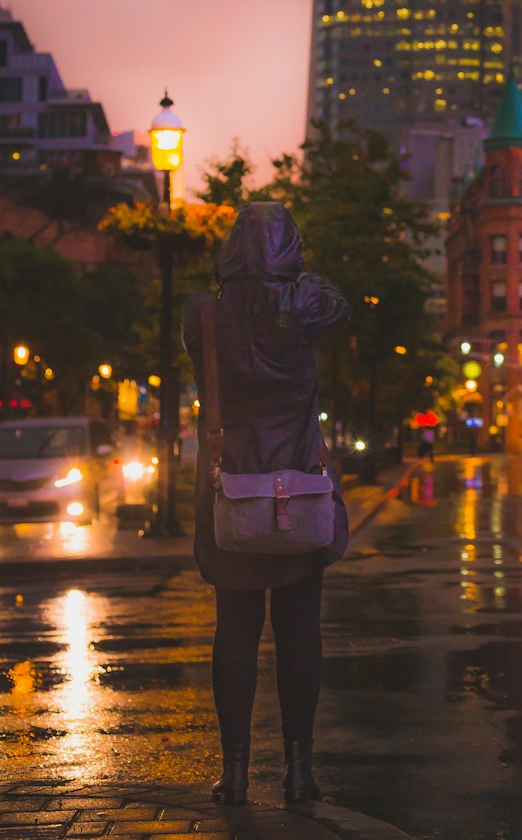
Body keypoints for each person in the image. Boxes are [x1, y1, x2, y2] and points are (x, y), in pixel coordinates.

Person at [182, 202, 350, 806]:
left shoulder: (203, 311)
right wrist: (295, 280)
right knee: (300, 629)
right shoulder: (304, 305)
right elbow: (338, 303)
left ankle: (234, 773)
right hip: (299, 484)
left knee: (235, 630)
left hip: (232, 488)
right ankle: (299, 770)